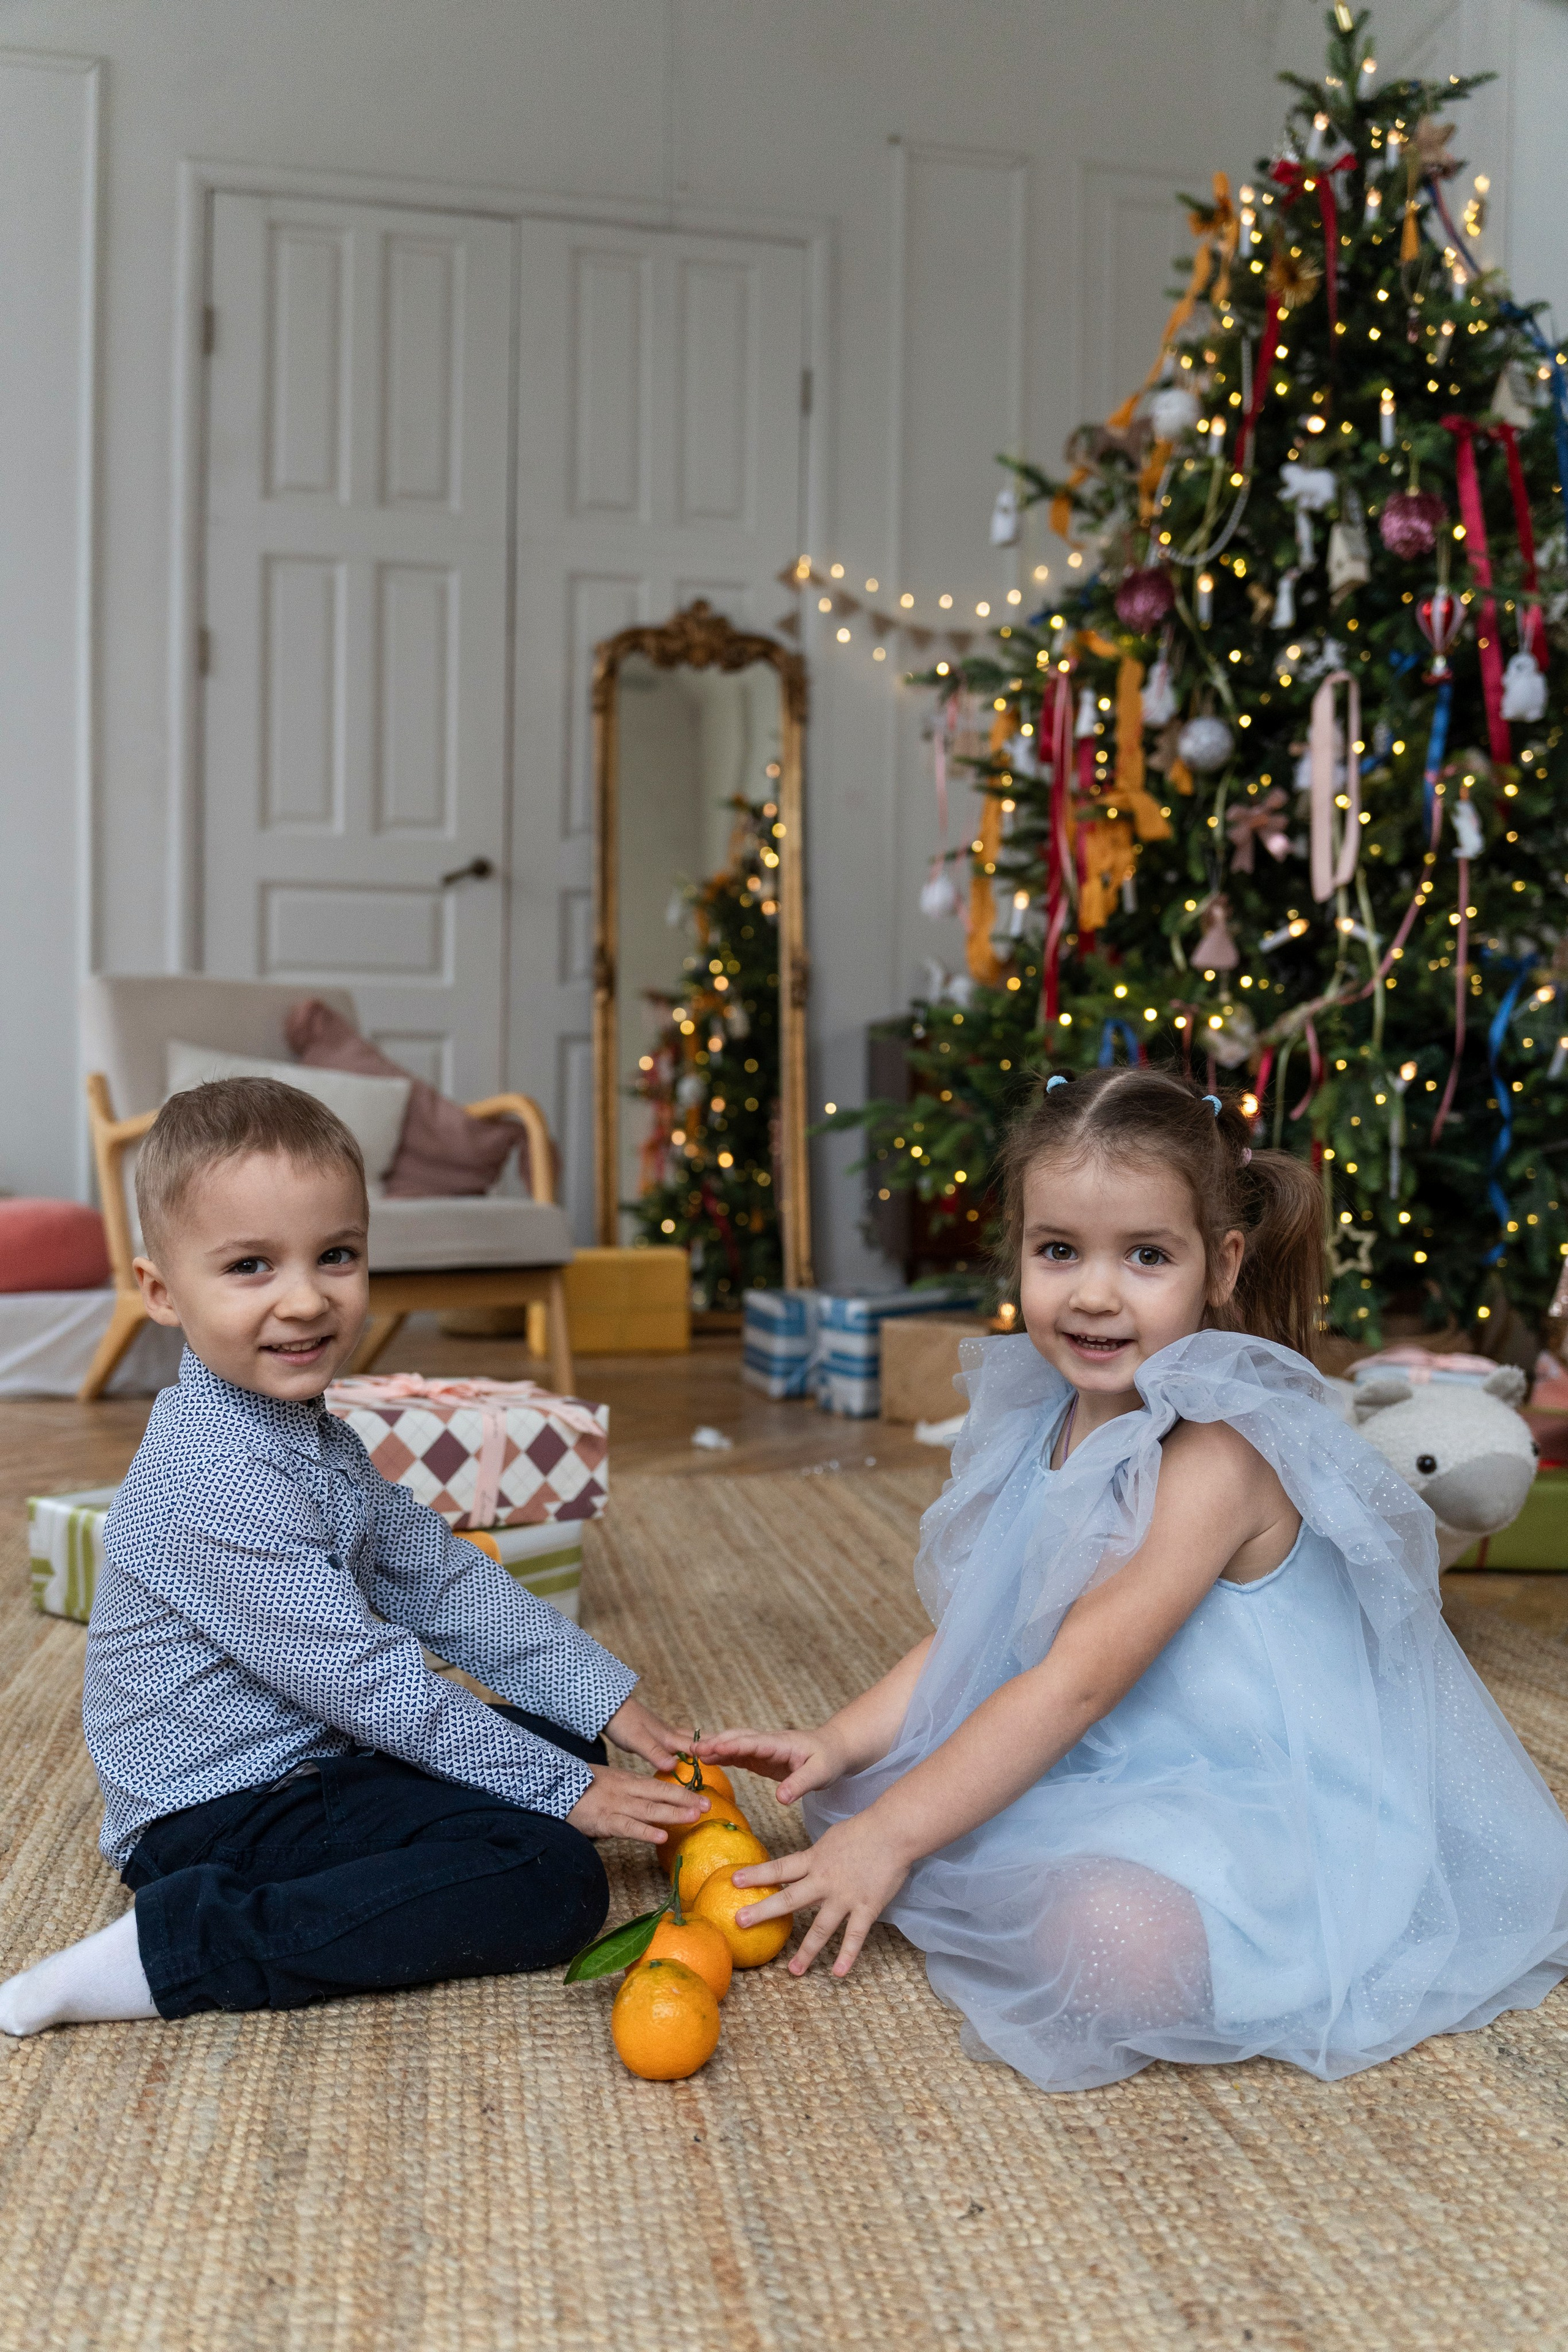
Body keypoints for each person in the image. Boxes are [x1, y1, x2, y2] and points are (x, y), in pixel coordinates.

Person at [701, 1066, 1568, 2091]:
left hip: (1264, 1796)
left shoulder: (1219, 1457)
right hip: (1120, 1756)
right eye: (1058, 1251)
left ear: (1221, 1264)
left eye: (1146, 1256)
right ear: (1016, 1250)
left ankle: (1168, 1915)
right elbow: (996, 1634)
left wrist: (892, 1834)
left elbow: (1075, 1682)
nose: (1095, 1293)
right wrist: (839, 1739)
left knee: (1117, 1954)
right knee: (872, 1795)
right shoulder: (1048, 1416)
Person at [0, 1077, 707, 2037]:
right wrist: (567, 1797)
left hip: (308, 1760)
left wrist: (606, 1701)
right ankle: (181, 1945)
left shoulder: (302, 1429)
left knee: (564, 1737)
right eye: (251, 1266)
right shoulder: (214, 1478)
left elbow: (437, 1575)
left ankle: (518, 1783)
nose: (305, 1299)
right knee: (549, 1880)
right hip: (220, 1815)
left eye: (336, 1255)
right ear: (161, 1292)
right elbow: (373, 1686)